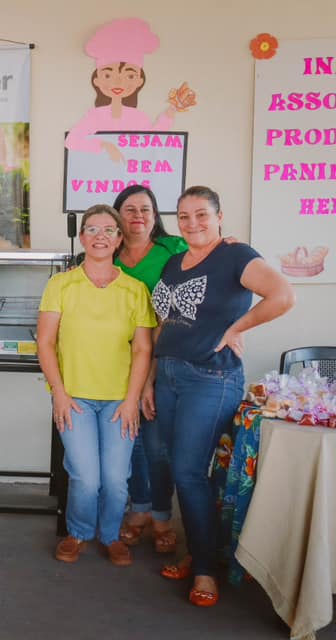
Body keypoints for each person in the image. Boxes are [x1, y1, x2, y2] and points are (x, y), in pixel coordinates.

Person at [151, 186, 294, 607]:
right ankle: (199, 550)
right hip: (170, 374)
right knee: (179, 469)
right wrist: (150, 378)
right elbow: (168, 321)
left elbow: (283, 296)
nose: (192, 223)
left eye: (201, 214)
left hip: (211, 378)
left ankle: (206, 569)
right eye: (184, 216)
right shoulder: (175, 262)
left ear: (219, 217)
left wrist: (235, 330)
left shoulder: (235, 254)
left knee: (189, 471)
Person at [37, 204, 155, 567]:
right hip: (75, 400)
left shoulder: (134, 290)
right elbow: (45, 342)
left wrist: (132, 400)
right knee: (86, 477)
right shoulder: (61, 284)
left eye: (108, 230)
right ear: (82, 236)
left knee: (117, 478)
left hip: (120, 400)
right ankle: (79, 533)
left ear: (120, 238)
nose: (100, 236)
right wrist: (58, 392)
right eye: (92, 229)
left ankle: (110, 535)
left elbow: (143, 348)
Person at [111, 185, 186, 553]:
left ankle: (161, 516)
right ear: (116, 216)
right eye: (129, 209)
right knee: (133, 445)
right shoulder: (104, 255)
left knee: (157, 446)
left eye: (145, 208)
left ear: (155, 216)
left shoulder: (174, 252)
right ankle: (137, 511)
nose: (137, 215)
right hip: (113, 365)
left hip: (161, 363)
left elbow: (215, 269)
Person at [65, 18, 195, 161]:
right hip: (102, 178)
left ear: (139, 81)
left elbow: (153, 140)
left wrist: (171, 111)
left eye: (130, 76)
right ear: (97, 81)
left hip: (131, 176)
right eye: (108, 75)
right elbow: (72, 141)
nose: (118, 82)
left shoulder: (138, 117)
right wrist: (106, 145)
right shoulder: (96, 115)